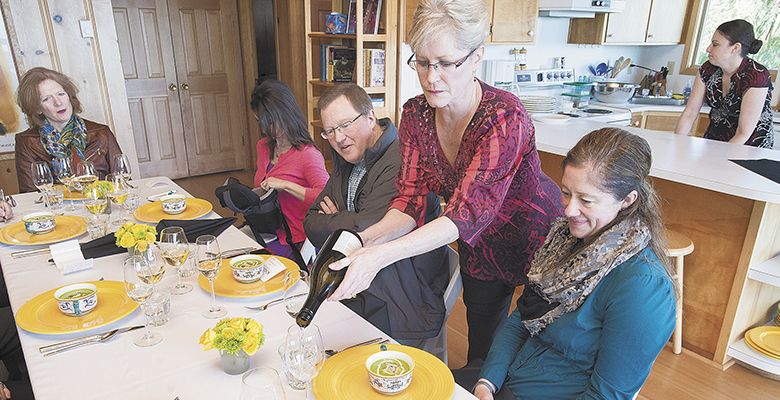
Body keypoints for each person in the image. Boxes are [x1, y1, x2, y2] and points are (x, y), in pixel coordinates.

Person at [327, 0, 563, 363]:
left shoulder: (504, 117)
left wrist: (379, 256)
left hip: (536, 239)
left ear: (476, 56)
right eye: (422, 62)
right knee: (483, 348)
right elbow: (409, 200)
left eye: (446, 63)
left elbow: (463, 214)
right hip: (478, 245)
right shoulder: (416, 114)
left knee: (538, 349)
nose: (431, 77)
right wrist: (362, 241)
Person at [458, 128, 677, 400]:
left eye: (586, 200)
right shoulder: (562, 240)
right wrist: (487, 382)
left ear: (627, 200)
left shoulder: (642, 287)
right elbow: (520, 321)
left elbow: (606, 395)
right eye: (565, 193)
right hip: (509, 380)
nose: (568, 210)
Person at [304, 84, 449, 357]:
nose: (339, 137)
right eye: (330, 131)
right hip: (360, 291)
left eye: (345, 124)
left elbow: (365, 231)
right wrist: (349, 221)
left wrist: (337, 218)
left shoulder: (401, 160)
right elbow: (311, 221)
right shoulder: (348, 157)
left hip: (402, 302)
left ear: (370, 117)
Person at [250, 80, 329, 259]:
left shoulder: (307, 155)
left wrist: (286, 185)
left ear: (285, 113)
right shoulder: (263, 146)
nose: (264, 129)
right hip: (267, 232)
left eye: (269, 122)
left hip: (296, 241)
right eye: (260, 122)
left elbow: (326, 198)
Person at [15, 67, 123, 193]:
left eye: (61, 94)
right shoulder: (26, 141)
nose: (58, 102)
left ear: (69, 96)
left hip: (99, 205)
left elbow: (122, 180)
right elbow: (29, 194)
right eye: (46, 99)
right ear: (37, 108)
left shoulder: (101, 132)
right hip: (58, 210)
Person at [675, 19, 774, 148]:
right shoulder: (708, 69)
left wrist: (720, 158)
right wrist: (676, 144)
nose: (708, 49)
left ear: (735, 48)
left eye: (715, 44)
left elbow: (743, 133)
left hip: (750, 149)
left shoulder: (756, 75)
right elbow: (690, 112)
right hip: (714, 142)